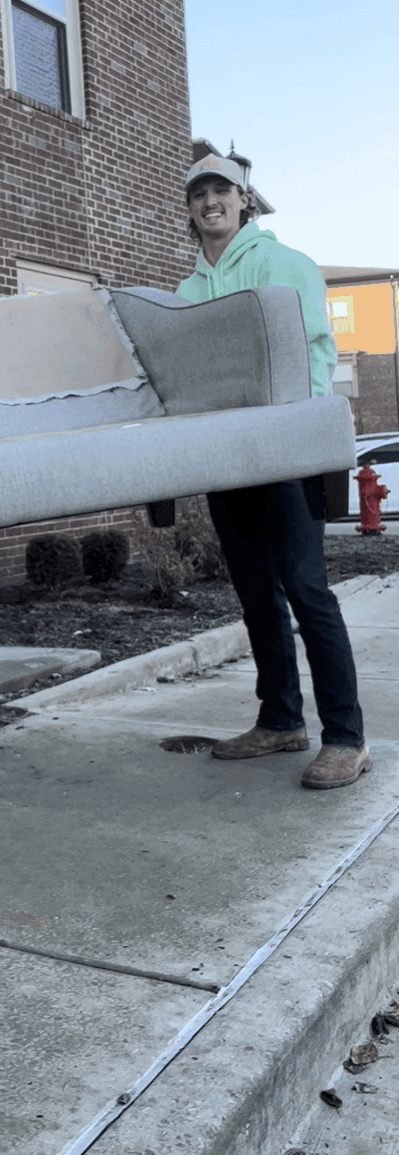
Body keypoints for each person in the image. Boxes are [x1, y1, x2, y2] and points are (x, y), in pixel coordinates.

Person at [177, 148, 369, 790]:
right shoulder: (185, 290)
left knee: (306, 589)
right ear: (191, 210)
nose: (211, 203)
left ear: (244, 202)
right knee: (256, 593)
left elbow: (318, 347)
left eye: (222, 192)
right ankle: (281, 719)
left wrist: (302, 434)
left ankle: (346, 737)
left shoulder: (284, 264)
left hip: (286, 455)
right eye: (199, 194)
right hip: (226, 457)